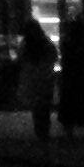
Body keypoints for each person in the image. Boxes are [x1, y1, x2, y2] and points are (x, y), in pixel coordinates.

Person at [18, 10, 57, 144]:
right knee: (44, 105)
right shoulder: (45, 41)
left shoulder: (25, 44)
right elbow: (54, 55)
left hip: (32, 78)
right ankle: (44, 129)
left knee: (36, 106)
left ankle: (39, 130)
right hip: (45, 77)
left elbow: (21, 58)